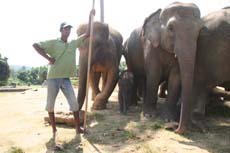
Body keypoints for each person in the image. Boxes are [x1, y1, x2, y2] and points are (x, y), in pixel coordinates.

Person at [32, 9, 95, 138]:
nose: (68, 31)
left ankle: (78, 129)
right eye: (65, 29)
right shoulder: (54, 43)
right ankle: (54, 130)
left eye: (69, 29)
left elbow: (88, 33)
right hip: (53, 78)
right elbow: (35, 45)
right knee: (50, 104)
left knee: (74, 104)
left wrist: (90, 16)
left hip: (66, 79)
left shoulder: (73, 43)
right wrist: (49, 59)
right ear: (61, 30)